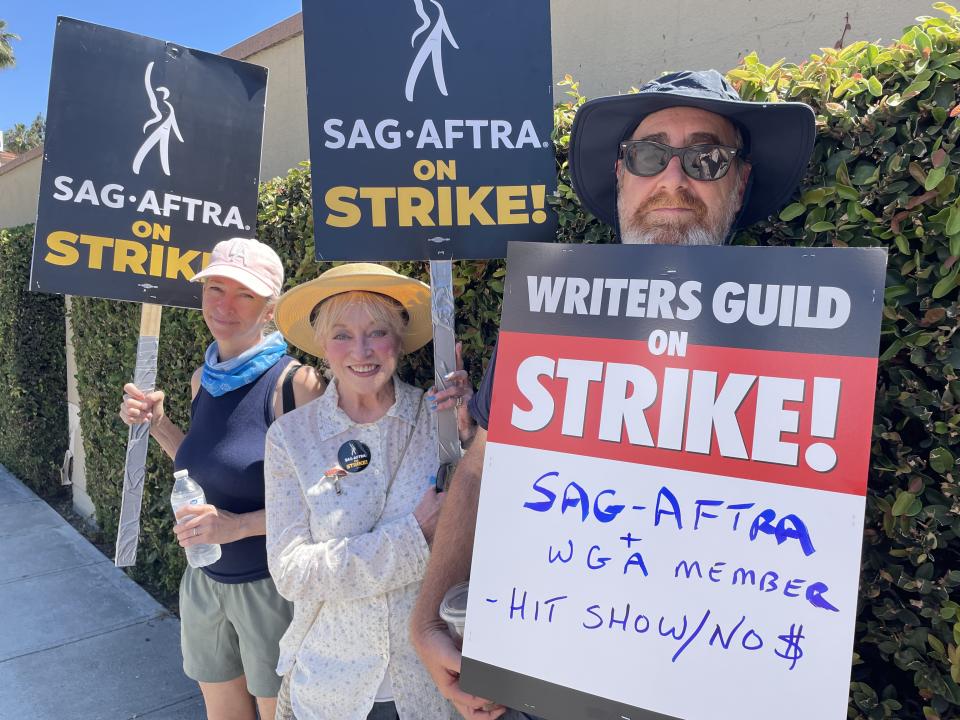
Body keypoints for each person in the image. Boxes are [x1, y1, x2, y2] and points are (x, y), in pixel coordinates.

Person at [409, 69, 816, 719]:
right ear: (623, 177)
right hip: (552, 686)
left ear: (738, 185)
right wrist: (427, 619)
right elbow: (482, 470)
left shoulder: (809, 342)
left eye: (706, 157)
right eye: (650, 155)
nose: (674, 179)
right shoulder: (548, 319)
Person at [119, 237, 325, 720]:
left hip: (271, 588)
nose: (223, 306)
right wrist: (158, 425)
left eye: (245, 295)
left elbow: (329, 507)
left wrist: (236, 527)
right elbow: (201, 465)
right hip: (204, 580)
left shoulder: (297, 386)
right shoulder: (201, 379)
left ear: (271, 309)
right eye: (215, 288)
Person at [264, 262, 473, 720]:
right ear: (322, 344)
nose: (361, 350)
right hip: (332, 688)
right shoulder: (290, 438)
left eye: (377, 332)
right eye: (341, 334)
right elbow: (291, 571)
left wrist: (474, 437)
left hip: (430, 688)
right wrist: (414, 536)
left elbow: (480, 532)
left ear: (399, 341)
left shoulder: (437, 418)